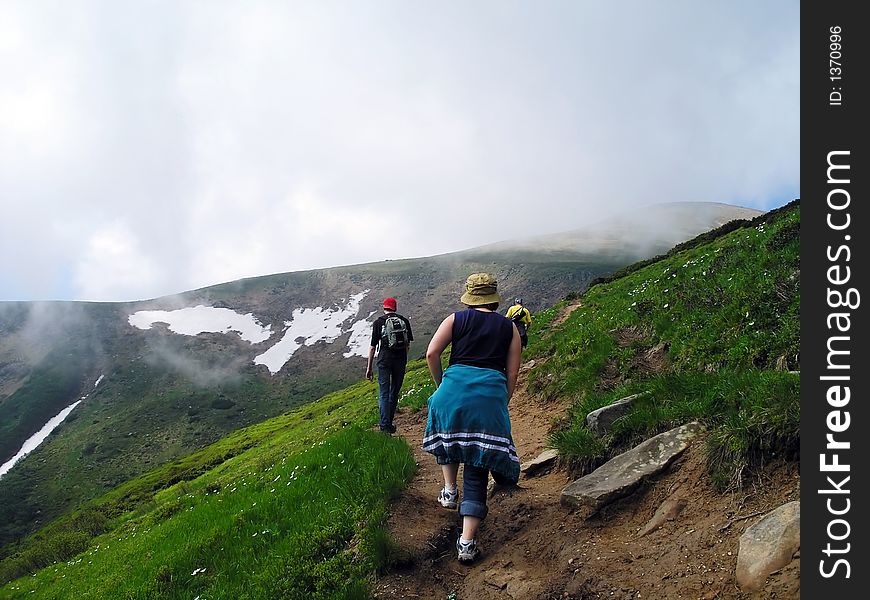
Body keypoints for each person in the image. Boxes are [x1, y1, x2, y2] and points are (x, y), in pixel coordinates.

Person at [423, 273, 522, 564]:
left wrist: (442, 385)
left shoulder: (455, 320)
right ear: (494, 297)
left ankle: (449, 490)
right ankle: (466, 543)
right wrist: (502, 401)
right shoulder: (510, 328)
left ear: (469, 296)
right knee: (477, 467)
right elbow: (513, 372)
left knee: (450, 442)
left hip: (450, 395)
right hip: (488, 401)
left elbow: (432, 353)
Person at [366, 297, 413, 434]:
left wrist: (369, 368)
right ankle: (389, 423)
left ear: (384, 307)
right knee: (394, 392)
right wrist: (403, 359)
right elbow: (407, 345)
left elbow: (373, 347)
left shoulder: (378, 322)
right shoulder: (404, 321)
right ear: (395, 307)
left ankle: (384, 425)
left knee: (384, 393)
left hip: (384, 360)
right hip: (400, 360)